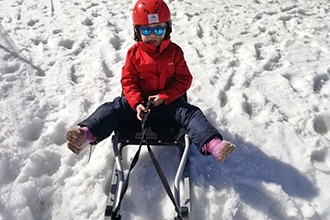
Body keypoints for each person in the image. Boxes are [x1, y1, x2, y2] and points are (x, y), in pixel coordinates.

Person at [65, 0, 235, 163]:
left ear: (167, 29)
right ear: (137, 32)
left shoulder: (175, 52)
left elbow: (185, 79)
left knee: (191, 113)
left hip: (169, 101)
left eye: (158, 30)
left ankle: (213, 144)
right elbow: (128, 81)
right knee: (113, 108)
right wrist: (136, 103)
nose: (152, 35)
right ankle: (86, 134)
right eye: (146, 31)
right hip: (138, 104)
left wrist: (165, 95)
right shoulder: (134, 54)